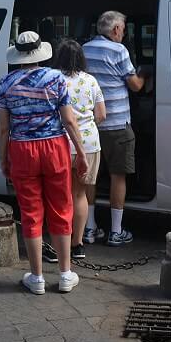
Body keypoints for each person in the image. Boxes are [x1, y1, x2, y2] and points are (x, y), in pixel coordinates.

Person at [0, 31, 89, 295]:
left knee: (31, 211)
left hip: (22, 149)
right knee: (61, 207)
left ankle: (36, 277)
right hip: (54, 147)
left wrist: (4, 158)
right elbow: (69, 120)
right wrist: (81, 153)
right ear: (40, 54)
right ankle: (65, 273)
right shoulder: (56, 78)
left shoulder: (6, 83)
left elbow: (3, 128)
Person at [83, 11, 145, 246]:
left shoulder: (84, 49)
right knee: (118, 176)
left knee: (90, 177)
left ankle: (90, 228)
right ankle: (116, 231)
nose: (124, 33)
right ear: (116, 29)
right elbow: (135, 86)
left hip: (90, 125)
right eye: (124, 29)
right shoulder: (119, 51)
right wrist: (145, 73)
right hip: (118, 125)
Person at [54, 39, 106, 260]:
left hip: (60, 143)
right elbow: (101, 114)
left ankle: (61, 242)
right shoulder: (91, 80)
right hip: (89, 144)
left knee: (61, 195)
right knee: (79, 194)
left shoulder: (54, 79)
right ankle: (78, 244)